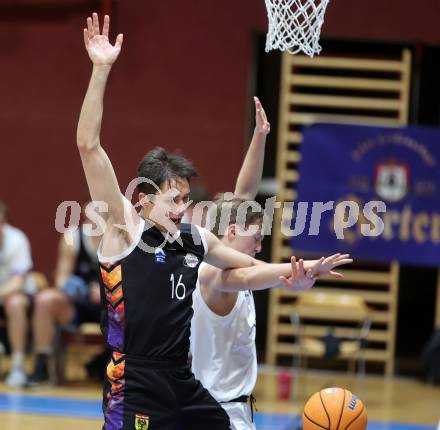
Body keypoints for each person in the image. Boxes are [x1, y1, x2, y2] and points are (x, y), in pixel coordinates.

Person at [77, 13, 309, 430]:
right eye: (173, 199)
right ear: (145, 199)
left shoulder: (194, 238)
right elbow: (88, 145)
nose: (182, 207)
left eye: (186, 198)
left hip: (181, 380)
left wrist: (298, 273)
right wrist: (100, 70)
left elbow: (246, 266)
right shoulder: (124, 231)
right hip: (135, 380)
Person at [190, 99, 352, 430]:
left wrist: (260, 135)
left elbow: (245, 195)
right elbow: (248, 276)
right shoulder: (208, 272)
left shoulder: (231, 254)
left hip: (230, 411)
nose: (260, 245)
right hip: (213, 414)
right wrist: (303, 267)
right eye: (257, 237)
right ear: (232, 231)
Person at [29, 198, 104, 384]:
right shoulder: (73, 236)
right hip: (78, 305)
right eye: (94, 206)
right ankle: (42, 364)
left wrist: (106, 289)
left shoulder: (121, 236)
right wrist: (72, 286)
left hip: (112, 307)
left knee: (137, 306)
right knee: (45, 300)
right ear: (86, 209)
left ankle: (116, 365)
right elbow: (61, 278)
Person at [0, 201, 36, 387]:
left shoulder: (17, 240)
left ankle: (17, 366)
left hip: (16, 294)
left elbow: (18, 282)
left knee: (14, 303)